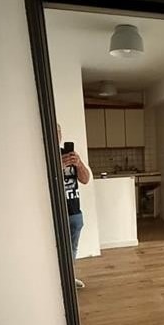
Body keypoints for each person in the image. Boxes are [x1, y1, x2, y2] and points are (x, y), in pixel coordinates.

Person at [58, 124, 91, 289]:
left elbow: (85, 179)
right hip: (57, 213)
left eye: (58, 132)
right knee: (58, 249)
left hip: (74, 212)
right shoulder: (45, 157)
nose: (56, 135)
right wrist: (59, 167)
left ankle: (69, 277)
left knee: (72, 249)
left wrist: (78, 164)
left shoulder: (69, 155)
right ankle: (59, 281)